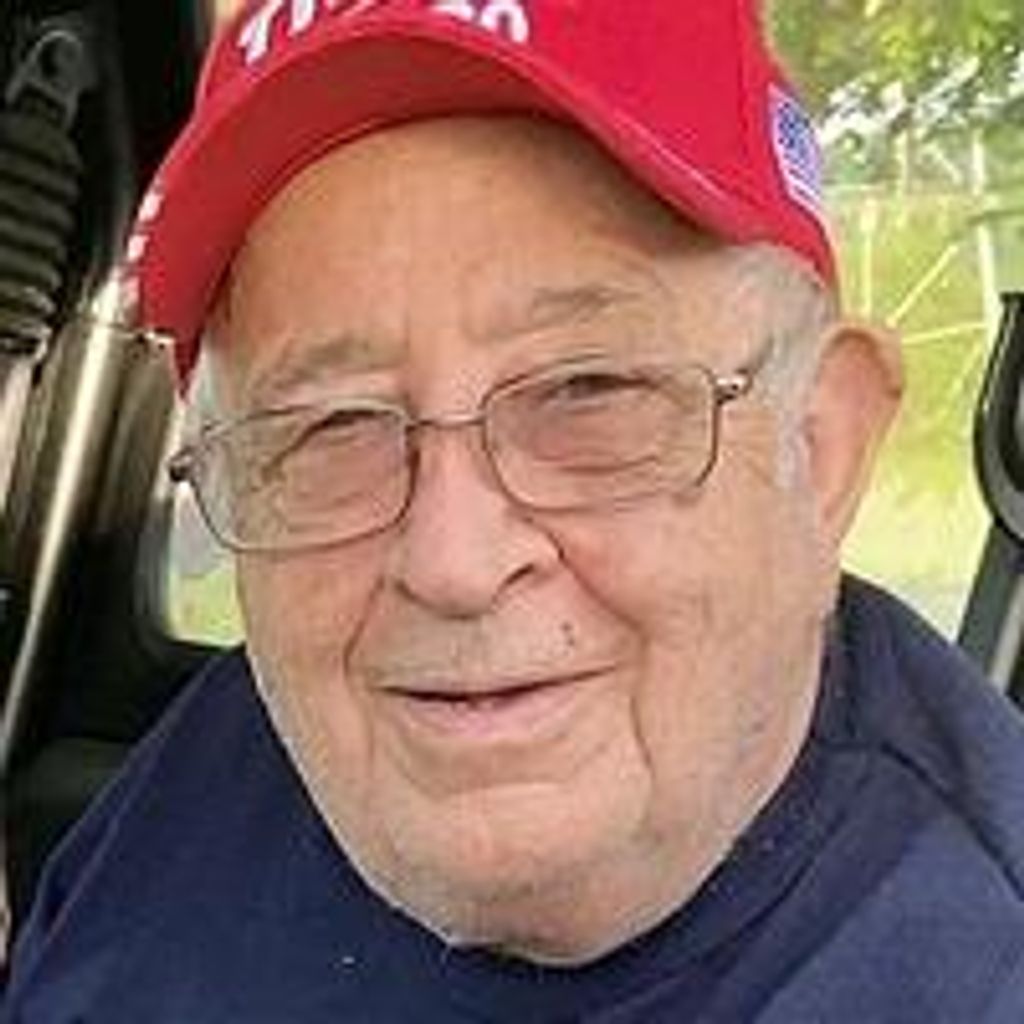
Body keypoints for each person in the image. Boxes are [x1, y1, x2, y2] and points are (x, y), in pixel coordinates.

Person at [5, 1, 1024, 1020]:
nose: (451, 561)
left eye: (589, 392)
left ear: (821, 446)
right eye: (332, 426)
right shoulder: (228, 752)